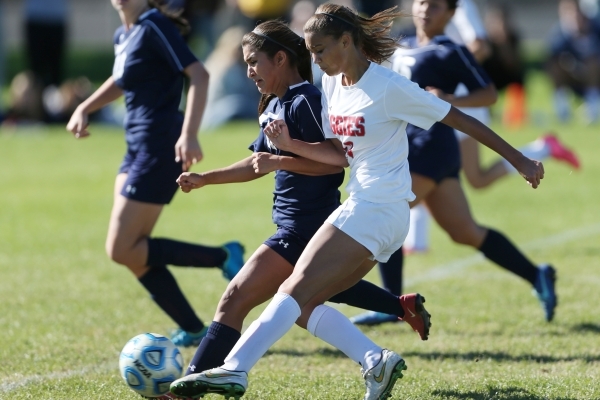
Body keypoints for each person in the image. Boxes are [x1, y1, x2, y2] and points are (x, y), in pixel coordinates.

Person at [169, 3, 544, 399]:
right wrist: (278, 152)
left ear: (347, 42)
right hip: (363, 205)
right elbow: (338, 155)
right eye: (310, 52)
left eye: (320, 51)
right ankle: (375, 362)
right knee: (308, 302)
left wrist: (518, 158)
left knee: (294, 288)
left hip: (381, 206)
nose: (313, 60)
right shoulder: (331, 84)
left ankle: (234, 368)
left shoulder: (390, 87)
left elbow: (459, 118)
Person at [170, 20, 430, 387]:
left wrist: (283, 158)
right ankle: (383, 342)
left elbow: (333, 160)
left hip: (308, 225)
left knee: (237, 298)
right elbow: (258, 162)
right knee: (304, 304)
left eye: (253, 62)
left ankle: (192, 383)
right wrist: (205, 178)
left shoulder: (306, 100)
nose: (248, 71)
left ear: (280, 58)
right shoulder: (275, 103)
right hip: (293, 224)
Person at [353, 0, 558, 328]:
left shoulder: (450, 50)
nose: (425, 10)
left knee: (385, 213)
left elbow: (489, 94)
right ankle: (538, 274)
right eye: (421, 2)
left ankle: (391, 304)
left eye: (435, 6)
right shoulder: (402, 42)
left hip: (432, 148)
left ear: (450, 14)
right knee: (465, 231)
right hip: (417, 149)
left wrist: (450, 100)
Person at [65, 0, 244, 348]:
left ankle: (222, 256)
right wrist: (86, 106)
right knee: (130, 250)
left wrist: (189, 133)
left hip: (161, 145)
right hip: (135, 147)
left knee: (122, 248)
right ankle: (193, 327)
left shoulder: (153, 25)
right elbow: (123, 79)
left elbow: (199, 74)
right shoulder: (125, 34)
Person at [547, 0, 600, 123]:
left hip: (594, 78)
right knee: (556, 64)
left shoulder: (595, 27)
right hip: (572, 75)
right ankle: (562, 107)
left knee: (593, 63)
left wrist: (585, 35)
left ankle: (592, 107)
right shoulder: (561, 31)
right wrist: (570, 33)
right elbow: (552, 53)